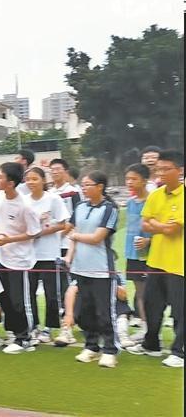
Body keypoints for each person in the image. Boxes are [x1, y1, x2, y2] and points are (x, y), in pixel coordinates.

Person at [127, 150, 184, 368]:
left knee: (180, 310)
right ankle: (151, 344)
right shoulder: (156, 195)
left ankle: (179, 351)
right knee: (152, 304)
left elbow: (171, 229)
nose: (160, 173)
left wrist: (157, 225)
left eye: (165, 169)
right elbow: (145, 224)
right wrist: (162, 225)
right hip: (156, 261)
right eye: (158, 169)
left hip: (178, 264)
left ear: (179, 171)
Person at [64, 171, 120, 368]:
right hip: (80, 268)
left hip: (101, 269)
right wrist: (69, 255)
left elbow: (97, 237)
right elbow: (70, 230)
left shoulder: (109, 209)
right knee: (84, 311)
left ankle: (110, 349)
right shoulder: (79, 206)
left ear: (100, 187)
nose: (84, 188)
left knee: (104, 311)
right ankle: (91, 346)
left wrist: (76, 236)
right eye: (83, 185)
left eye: (88, 184)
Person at [0, 162, 41, 354]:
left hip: (21, 261)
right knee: (6, 299)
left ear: (11, 182)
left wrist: (9, 239)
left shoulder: (26, 205)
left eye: (0, 177)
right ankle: (14, 333)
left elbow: (34, 232)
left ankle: (25, 338)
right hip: (2, 257)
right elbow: (0, 223)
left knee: (20, 301)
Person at [23, 167, 70, 343]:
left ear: (43, 180)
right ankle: (33, 326)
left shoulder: (53, 199)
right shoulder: (24, 201)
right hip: (28, 254)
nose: (31, 182)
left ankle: (49, 328)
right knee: (30, 292)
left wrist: (43, 230)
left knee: (52, 293)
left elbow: (63, 224)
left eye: (35, 179)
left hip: (49, 254)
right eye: (28, 179)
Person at [122, 164, 152, 343]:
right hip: (133, 254)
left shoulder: (154, 199)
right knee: (140, 292)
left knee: (153, 294)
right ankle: (144, 327)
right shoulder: (131, 203)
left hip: (152, 255)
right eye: (127, 179)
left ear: (145, 180)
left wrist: (149, 241)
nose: (129, 182)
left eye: (133, 179)